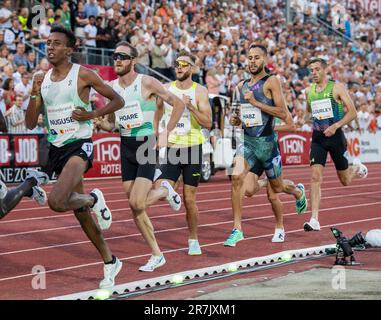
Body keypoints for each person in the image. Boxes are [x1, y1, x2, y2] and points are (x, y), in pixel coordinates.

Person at [25, 26, 125, 288]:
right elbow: (28, 122)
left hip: (79, 145)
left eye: (56, 43)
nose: (50, 47)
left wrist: (91, 115)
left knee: (57, 201)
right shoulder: (42, 78)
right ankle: (110, 261)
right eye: (48, 43)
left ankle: (94, 198)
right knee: (80, 213)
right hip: (56, 148)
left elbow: (118, 100)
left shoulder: (83, 75)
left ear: (69, 49)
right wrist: (35, 91)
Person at [94, 41, 185, 272]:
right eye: (115, 56)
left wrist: (166, 132)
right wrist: (100, 121)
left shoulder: (146, 82)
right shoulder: (111, 87)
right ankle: (157, 254)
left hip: (146, 144)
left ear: (133, 61)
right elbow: (112, 125)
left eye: (123, 57)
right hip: (125, 145)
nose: (118, 60)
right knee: (136, 207)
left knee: (137, 201)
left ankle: (165, 190)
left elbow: (179, 104)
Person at [224, 44, 307, 247]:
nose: (252, 61)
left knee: (277, 188)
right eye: (249, 57)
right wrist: (236, 120)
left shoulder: (271, 82)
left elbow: (282, 113)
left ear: (264, 60)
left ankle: (297, 192)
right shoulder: (241, 86)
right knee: (236, 177)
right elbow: (240, 116)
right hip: (249, 143)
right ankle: (237, 229)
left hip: (268, 146)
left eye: (256, 58)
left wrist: (256, 103)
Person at [145, 50, 212, 255]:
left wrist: (190, 108)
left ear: (191, 68)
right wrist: (156, 133)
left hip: (192, 148)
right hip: (173, 147)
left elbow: (208, 122)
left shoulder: (199, 91)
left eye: (184, 64)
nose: (179, 67)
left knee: (190, 199)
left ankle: (193, 240)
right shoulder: (166, 89)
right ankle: (170, 192)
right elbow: (157, 112)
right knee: (160, 188)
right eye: (177, 64)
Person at [303, 58, 368, 232]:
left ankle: (357, 168)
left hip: (336, 137)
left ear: (325, 70)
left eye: (317, 69)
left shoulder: (336, 88)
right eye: (311, 70)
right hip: (318, 138)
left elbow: (352, 112)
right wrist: (300, 122)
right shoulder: (309, 91)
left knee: (345, 180)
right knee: (315, 177)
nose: (314, 73)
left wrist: (335, 126)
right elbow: (308, 112)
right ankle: (314, 218)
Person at [243, 111, 297, 243]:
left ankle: (279, 228)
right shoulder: (249, 104)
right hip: (253, 148)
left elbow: (291, 126)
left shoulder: (275, 103)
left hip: (270, 149)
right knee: (248, 190)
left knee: (273, 195)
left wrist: (269, 128)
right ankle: (268, 182)